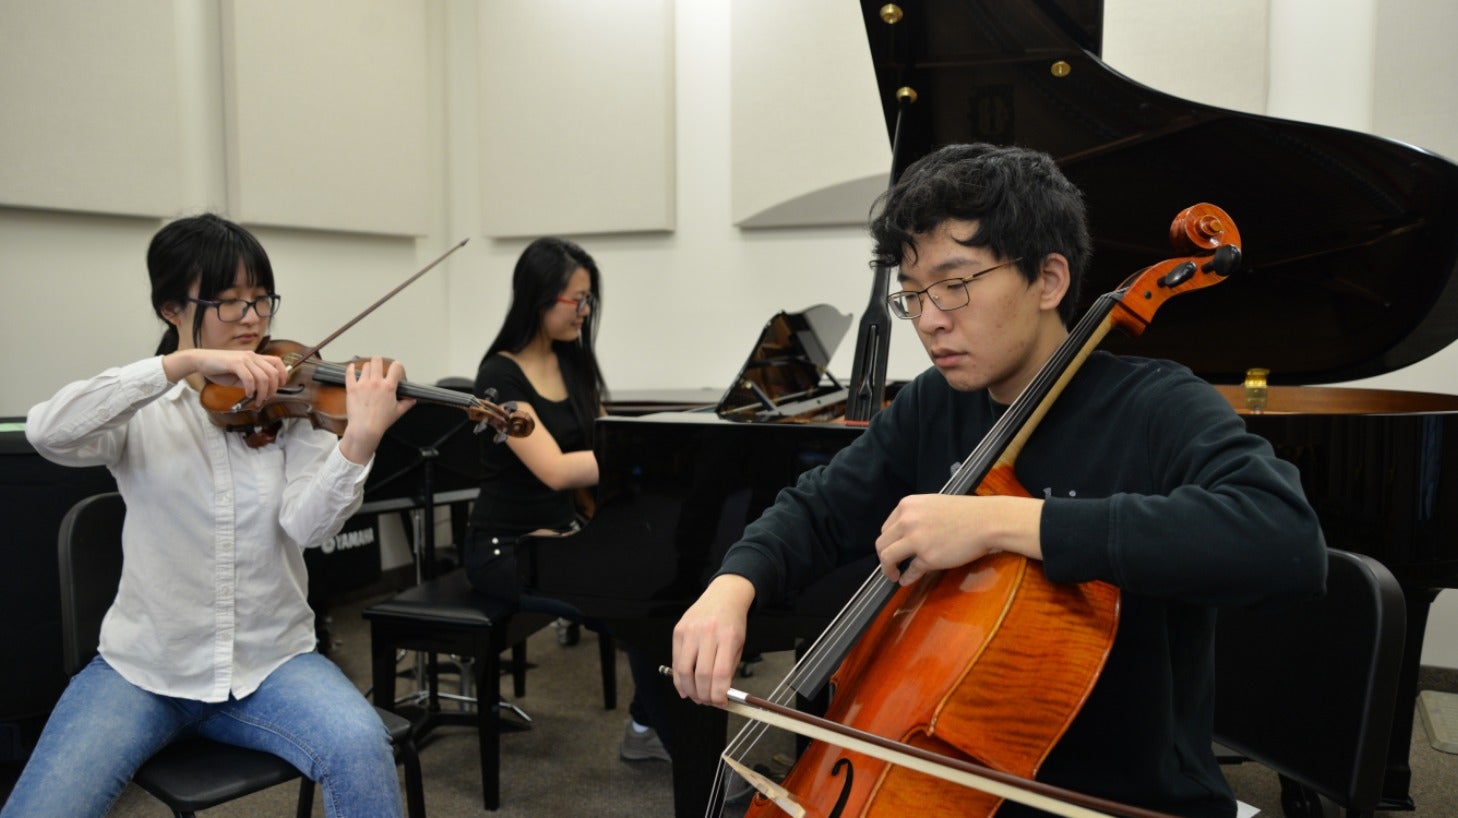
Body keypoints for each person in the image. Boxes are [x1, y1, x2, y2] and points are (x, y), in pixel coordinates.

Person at [670, 144, 1328, 817]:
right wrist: (732, 586)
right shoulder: (935, 403)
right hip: (955, 778)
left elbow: (1284, 540)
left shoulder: (1155, 406)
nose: (929, 319)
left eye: (955, 285)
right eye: (912, 296)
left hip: (1121, 797)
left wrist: (1002, 521)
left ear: (1048, 280)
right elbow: (818, 509)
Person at [4, 214, 414, 817]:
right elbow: (46, 432)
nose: (252, 320)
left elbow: (309, 527)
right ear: (173, 309)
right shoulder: (142, 410)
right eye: (228, 303)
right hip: (143, 671)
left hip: (271, 665)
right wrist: (176, 366)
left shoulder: (288, 404)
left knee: (360, 750)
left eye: (260, 301)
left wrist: (360, 441)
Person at [463, 236, 671, 763]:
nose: (584, 311)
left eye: (588, 300)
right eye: (574, 300)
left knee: (666, 582)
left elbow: (592, 458)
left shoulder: (574, 363)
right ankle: (664, 735)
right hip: (505, 547)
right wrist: (657, 452)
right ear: (538, 298)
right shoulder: (498, 376)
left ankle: (650, 722)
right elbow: (556, 469)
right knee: (642, 602)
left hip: (560, 537)